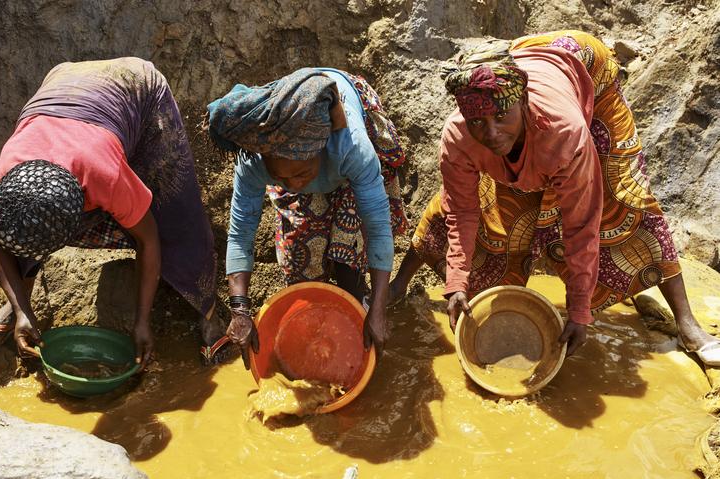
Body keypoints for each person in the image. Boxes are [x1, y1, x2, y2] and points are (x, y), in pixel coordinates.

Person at [430, 30, 719, 361]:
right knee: (503, 212)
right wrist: (456, 282)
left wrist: (580, 310)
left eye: (501, 117)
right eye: (478, 122)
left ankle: (687, 324)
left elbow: (581, 222)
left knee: (626, 199)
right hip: (527, 62)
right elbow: (462, 211)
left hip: (585, 66)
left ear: (523, 102)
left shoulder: (564, 132)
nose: (491, 133)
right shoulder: (458, 137)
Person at [0, 57, 222, 369]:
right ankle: (17, 309)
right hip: (62, 82)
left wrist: (141, 322)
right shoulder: (6, 183)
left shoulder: (104, 175)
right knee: (22, 231)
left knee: (174, 211)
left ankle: (208, 312)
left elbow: (148, 238)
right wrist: (22, 310)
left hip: (136, 86)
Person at [206, 67, 408, 367]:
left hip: (348, 146)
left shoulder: (349, 146)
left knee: (349, 246)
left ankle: (357, 299)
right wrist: (240, 311)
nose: (295, 183)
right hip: (301, 148)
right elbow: (240, 233)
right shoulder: (255, 157)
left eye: (302, 173)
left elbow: (377, 227)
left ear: (320, 150)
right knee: (301, 262)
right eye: (281, 176)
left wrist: (378, 311)